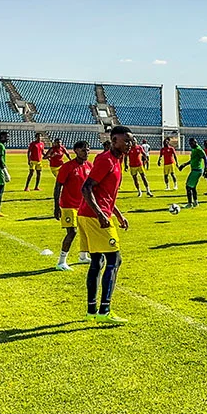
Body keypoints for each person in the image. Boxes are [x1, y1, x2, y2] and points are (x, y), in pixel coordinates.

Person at [79, 125, 133, 324]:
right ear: (114, 140)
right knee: (114, 260)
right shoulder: (106, 160)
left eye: (130, 140)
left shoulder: (116, 160)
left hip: (90, 214)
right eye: (125, 140)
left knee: (97, 262)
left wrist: (118, 214)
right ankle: (105, 310)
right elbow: (87, 188)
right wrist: (101, 214)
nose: (129, 144)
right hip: (95, 217)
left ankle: (92, 310)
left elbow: (106, 193)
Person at [53, 141, 93, 270]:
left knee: (85, 231)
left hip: (83, 205)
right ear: (75, 151)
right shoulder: (67, 167)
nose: (86, 152)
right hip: (68, 205)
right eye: (83, 150)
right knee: (72, 232)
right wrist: (56, 206)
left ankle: (83, 256)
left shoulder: (89, 166)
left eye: (87, 150)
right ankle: (61, 261)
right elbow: (58, 186)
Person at [178, 138, 207, 209]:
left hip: (196, 170)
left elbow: (205, 158)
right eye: (189, 144)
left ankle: (189, 204)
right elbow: (193, 160)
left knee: (188, 187)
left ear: (195, 142)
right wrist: (184, 164)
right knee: (193, 187)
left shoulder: (199, 149)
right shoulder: (194, 149)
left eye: (191, 143)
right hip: (195, 170)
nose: (190, 145)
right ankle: (195, 202)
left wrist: (206, 170)